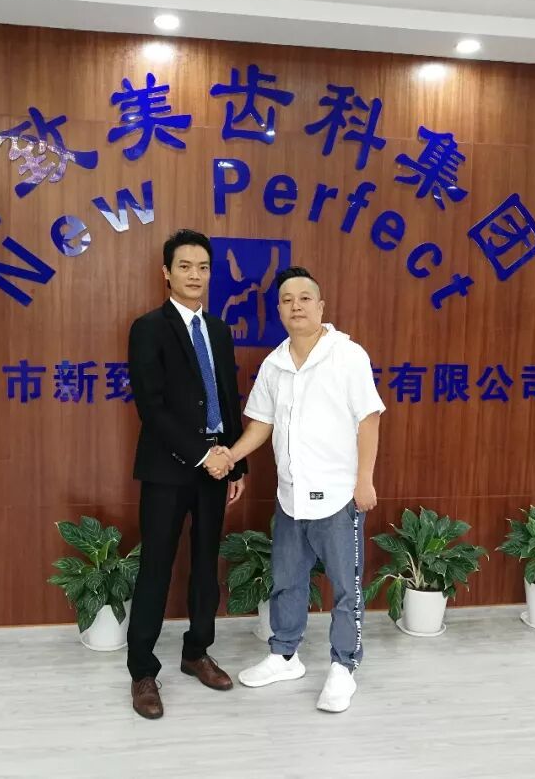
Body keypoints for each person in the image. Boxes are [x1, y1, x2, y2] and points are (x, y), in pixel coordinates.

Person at [213, 266, 384, 713]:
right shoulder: (274, 364)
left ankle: (344, 666)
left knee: (346, 588)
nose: (296, 306)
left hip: (339, 495)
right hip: (291, 497)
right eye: (287, 300)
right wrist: (231, 455)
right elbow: (262, 423)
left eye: (304, 298)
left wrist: (364, 480)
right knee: (287, 580)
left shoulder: (347, 356)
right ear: (279, 310)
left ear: (321, 306)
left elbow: (369, 419)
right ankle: (284, 656)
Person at [125, 229, 247, 720]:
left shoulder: (218, 330)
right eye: (185, 266)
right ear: (167, 272)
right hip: (168, 469)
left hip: (217, 468)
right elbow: (151, 407)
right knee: (156, 567)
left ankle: (196, 651)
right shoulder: (148, 328)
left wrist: (235, 462)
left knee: (205, 565)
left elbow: (229, 397)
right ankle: (142, 670)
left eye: (203, 267)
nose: (195, 275)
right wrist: (203, 455)